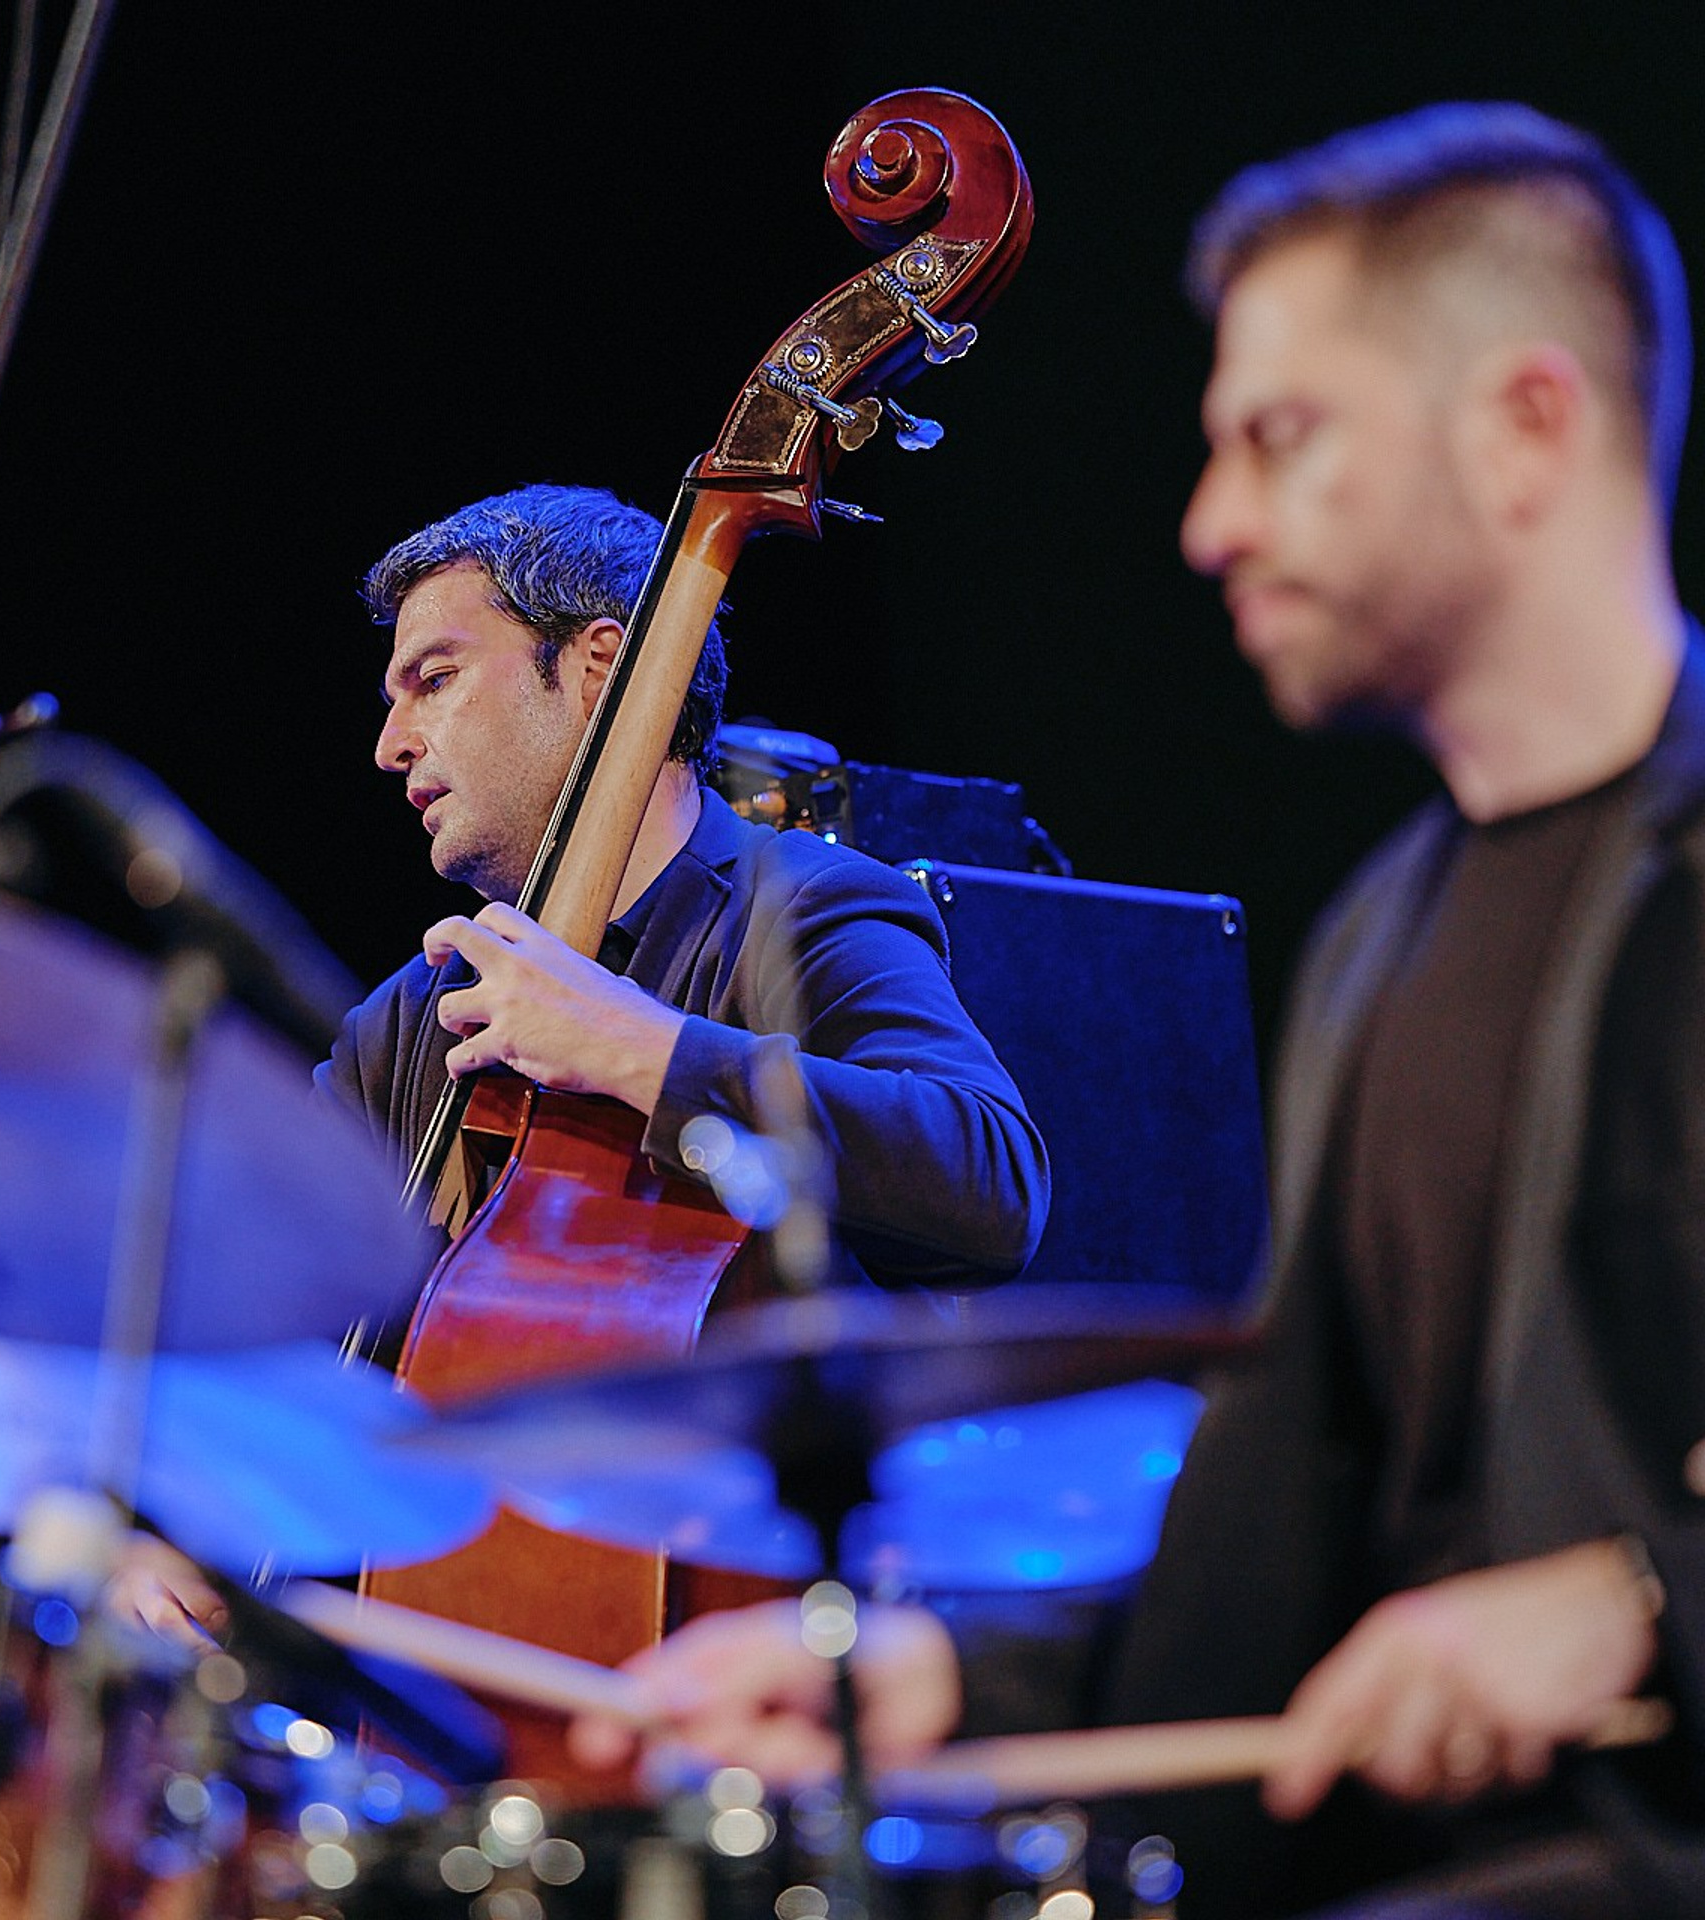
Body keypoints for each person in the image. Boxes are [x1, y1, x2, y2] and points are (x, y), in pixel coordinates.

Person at [568, 104, 1705, 1918]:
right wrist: (951, 1681)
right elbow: (1279, 1553)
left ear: (1527, 429)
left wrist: (1643, 1598)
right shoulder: (1387, 934)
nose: (1210, 526)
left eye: (1281, 440)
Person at [316, 481, 1048, 1289]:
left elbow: (992, 1183)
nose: (391, 745)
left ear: (598, 666)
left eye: (436, 679)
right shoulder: (410, 1023)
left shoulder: (798, 908)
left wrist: (635, 1046)